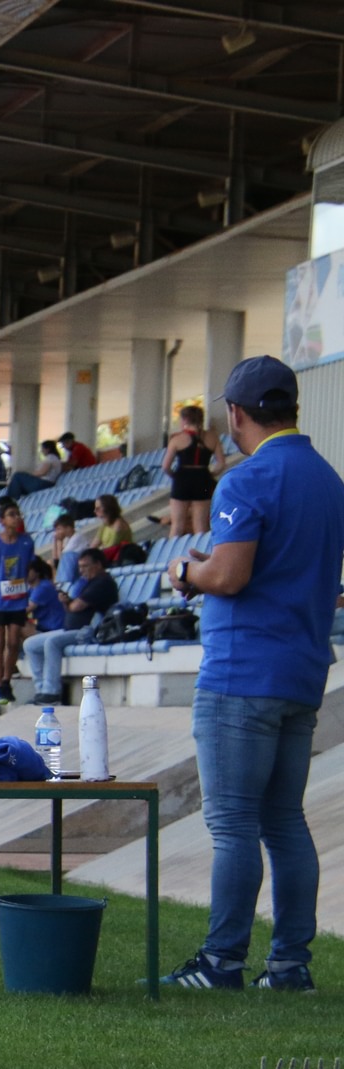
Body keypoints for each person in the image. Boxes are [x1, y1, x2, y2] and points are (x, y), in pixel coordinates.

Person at [161, 356, 344, 992]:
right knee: (285, 821)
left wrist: (186, 573)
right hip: (303, 670)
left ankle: (221, 963)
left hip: (243, 671)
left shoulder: (246, 479)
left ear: (235, 414)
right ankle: (290, 966)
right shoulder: (328, 479)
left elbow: (230, 575)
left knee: (234, 823)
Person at [23, 547, 116, 704]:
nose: (82, 571)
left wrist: (68, 603)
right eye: (79, 567)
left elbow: (76, 607)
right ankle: (40, 690)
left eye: (85, 566)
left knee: (52, 642)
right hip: (71, 629)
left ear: (98, 564)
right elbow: (71, 607)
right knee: (30, 644)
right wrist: (66, 602)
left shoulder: (103, 582)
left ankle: (51, 692)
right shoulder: (88, 583)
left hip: (88, 631)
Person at [0, 500, 36, 706]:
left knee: (13, 641)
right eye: (11, 514)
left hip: (18, 599)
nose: (16, 517)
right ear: (2, 520)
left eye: (17, 514)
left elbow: (29, 565)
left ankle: (6, 679)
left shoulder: (27, 542)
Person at [162, 404, 224, 537]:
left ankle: (173, 556)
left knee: (177, 525)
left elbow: (165, 466)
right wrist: (210, 474)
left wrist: (175, 476)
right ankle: (201, 555)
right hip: (202, 479)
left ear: (184, 420)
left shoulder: (177, 439)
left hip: (182, 479)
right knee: (201, 526)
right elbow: (221, 464)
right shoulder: (212, 437)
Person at [26, 557, 66, 636]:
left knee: (16, 623)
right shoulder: (31, 588)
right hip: (44, 628)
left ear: (37, 572)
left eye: (27, 570)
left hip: (54, 631)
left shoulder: (43, 587)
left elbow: (23, 611)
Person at [93, 493, 134, 560]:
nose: (95, 511)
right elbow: (94, 545)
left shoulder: (119, 525)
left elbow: (111, 547)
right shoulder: (104, 526)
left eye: (98, 508)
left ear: (107, 508)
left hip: (118, 559)